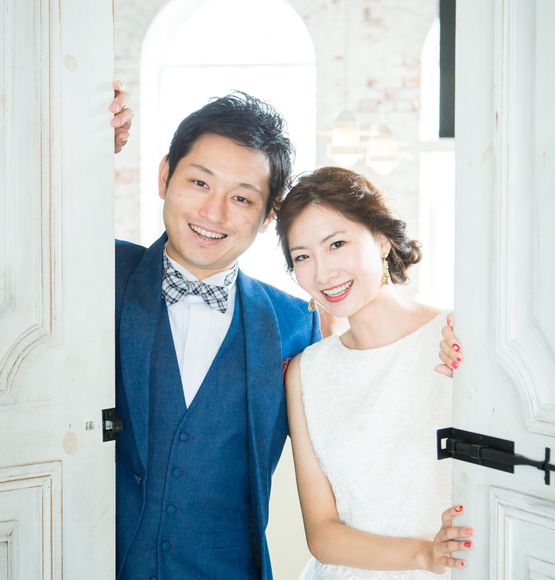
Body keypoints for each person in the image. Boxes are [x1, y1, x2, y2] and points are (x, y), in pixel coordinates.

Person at [111, 92, 321, 580]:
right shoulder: (101, 273)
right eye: (200, 182)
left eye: (242, 198)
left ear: (268, 216)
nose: (214, 212)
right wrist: (76, 145)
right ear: (165, 176)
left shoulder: (296, 323)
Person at [275, 166, 473, 578]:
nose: (323, 272)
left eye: (337, 244)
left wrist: (475, 380)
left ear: (381, 240)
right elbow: (322, 534)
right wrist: (423, 554)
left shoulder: (457, 338)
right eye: (303, 257)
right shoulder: (307, 373)